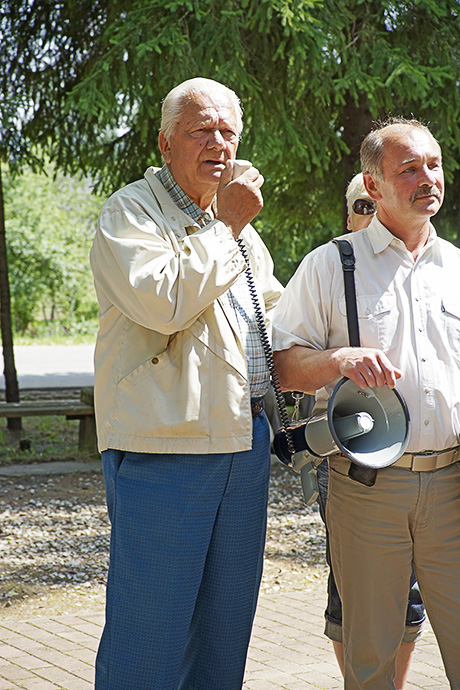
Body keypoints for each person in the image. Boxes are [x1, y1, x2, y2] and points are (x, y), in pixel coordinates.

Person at [90, 77, 283, 690]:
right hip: (162, 452)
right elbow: (164, 302)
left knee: (224, 639)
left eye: (229, 131)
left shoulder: (240, 231)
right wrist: (224, 228)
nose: (218, 143)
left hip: (242, 449)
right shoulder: (130, 212)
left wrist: (336, 357)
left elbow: (273, 326)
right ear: (165, 141)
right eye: (202, 129)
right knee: (148, 640)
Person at [272, 118, 460, 688]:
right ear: (372, 186)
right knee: (371, 661)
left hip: (454, 485)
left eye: (433, 165)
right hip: (366, 489)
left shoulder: (456, 266)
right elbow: (282, 367)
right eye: (409, 169)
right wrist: (338, 361)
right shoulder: (331, 264)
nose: (427, 178)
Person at [315, 172, 425, 689]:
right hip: (353, 461)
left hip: (431, 469)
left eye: (373, 202)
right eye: (359, 204)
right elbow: (286, 356)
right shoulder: (332, 266)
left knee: (411, 596)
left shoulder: (429, 264)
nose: (368, 212)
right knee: (353, 592)